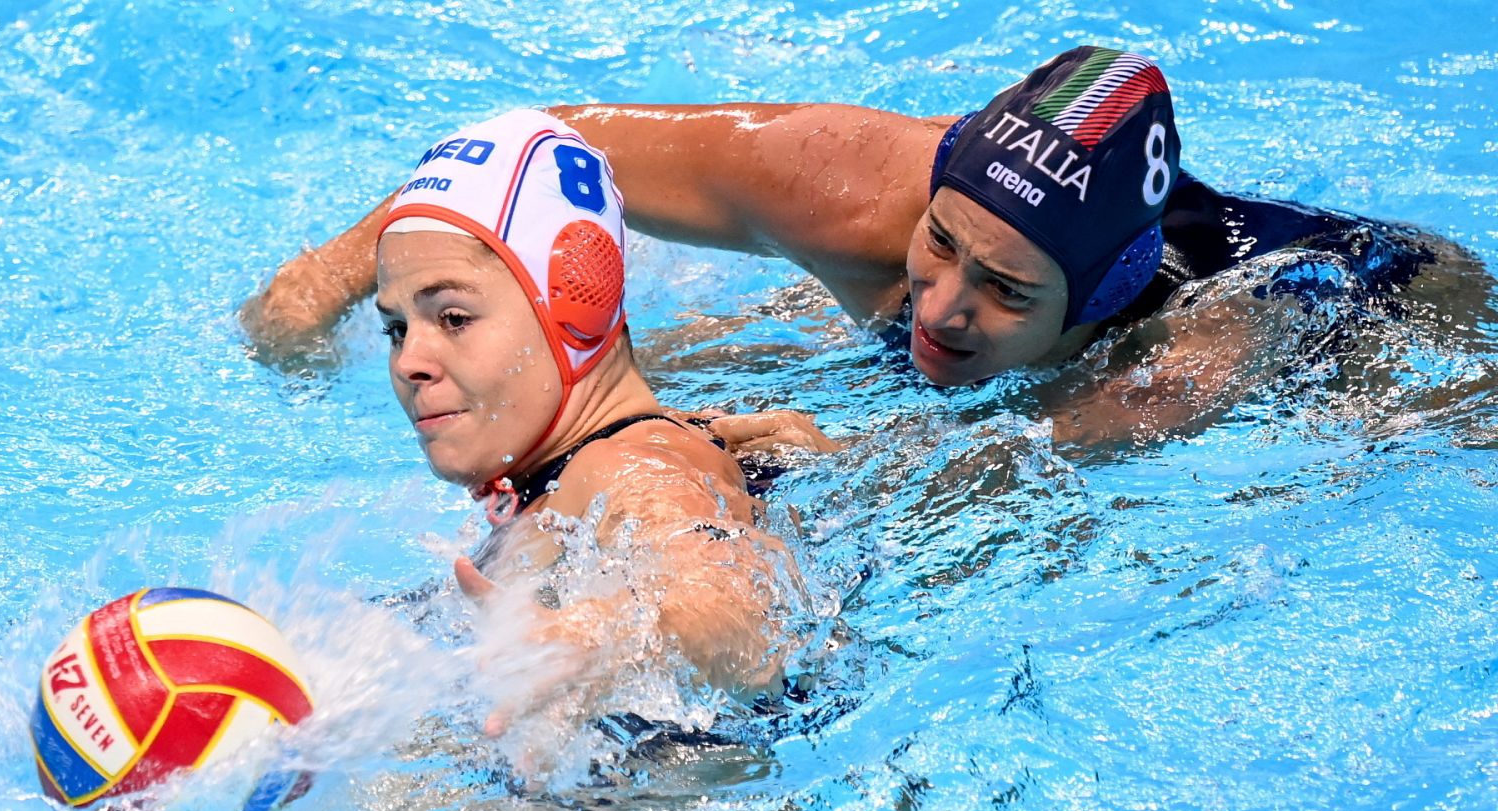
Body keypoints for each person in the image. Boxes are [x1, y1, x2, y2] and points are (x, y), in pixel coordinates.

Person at [243, 45, 1490, 445]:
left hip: (1394, 316)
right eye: (938, 249)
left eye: (999, 288)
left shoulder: (1182, 356)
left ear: (1098, 292)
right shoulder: (858, 192)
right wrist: (333, 277)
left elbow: (971, 497)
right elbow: (540, 144)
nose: (940, 304)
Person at [371, 109, 809, 749]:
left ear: (578, 305)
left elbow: (741, 621)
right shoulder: (595, 463)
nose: (409, 360)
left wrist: (605, 635)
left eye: (454, 317)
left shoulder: (629, 468)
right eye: (397, 328)